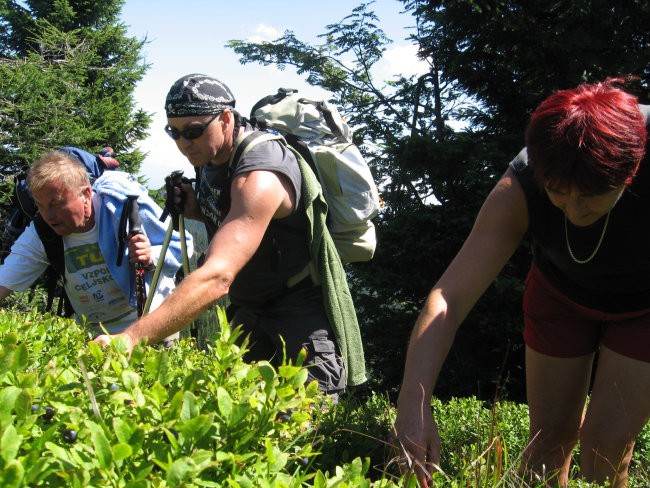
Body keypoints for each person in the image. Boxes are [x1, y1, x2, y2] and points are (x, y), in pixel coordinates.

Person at [394, 79, 650, 488]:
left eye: (590, 197)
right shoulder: (523, 181)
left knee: (607, 445)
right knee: (547, 441)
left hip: (644, 311)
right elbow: (448, 298)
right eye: (559, 195)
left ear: (630, 172)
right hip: (561, 296)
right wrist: (413, 404)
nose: (574, 210)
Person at [94, 74, 367, 400]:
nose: (184, 142)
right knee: (237, 427)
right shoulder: (211, 158)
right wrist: (193, 207)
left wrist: (130, 339)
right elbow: (231, 218)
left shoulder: (260, 173)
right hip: (249, 311)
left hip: (299, 314)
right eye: (174, 132)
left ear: (225, 119)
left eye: (193, 130)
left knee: (300, 438)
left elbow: (218, 276)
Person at [0, 149, 190, 343]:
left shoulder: (120, 207)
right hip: (95, 336)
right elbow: (3, 281)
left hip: (152, 325)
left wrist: (151, 256)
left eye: (56, 203)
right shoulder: (41, 232)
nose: (48, 215)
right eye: (40, 205)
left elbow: (183, 246)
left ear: (86, 194)